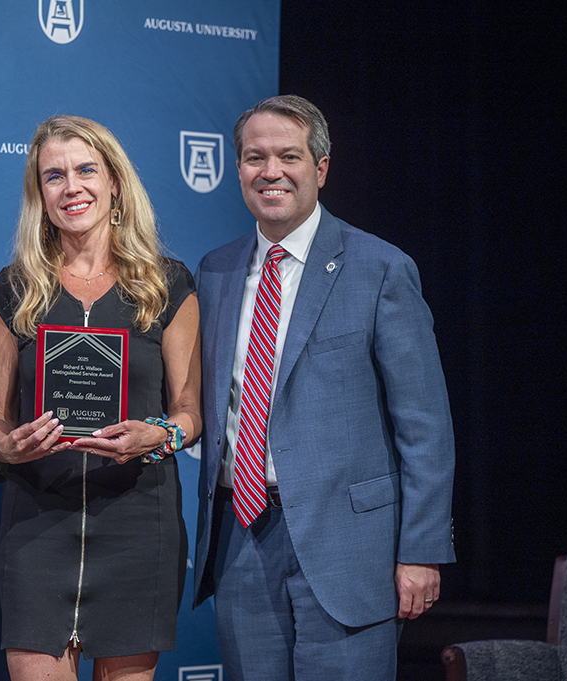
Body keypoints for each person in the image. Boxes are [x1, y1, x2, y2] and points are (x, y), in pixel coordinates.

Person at [192, 95, 456, 680]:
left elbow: (425, 424)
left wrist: (420, 549)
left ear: (321, 167)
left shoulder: (380, 268)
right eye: (255, 157)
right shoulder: (213, 272)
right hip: (241, 540)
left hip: (350, 548)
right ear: (237, 170)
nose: (271, 171)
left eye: (289, 156)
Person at [0, 115, 201, 681]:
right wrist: (10, 445)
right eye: (53, 176)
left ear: (114, 185)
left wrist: (159, 435)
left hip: (136, 524)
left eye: (85, 170)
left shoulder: (167, 284)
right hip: (37, 526)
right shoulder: (15, 288)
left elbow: (190, 412)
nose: (71, 187)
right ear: (40, 195)